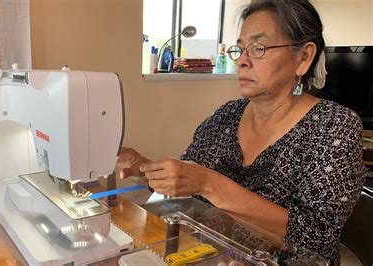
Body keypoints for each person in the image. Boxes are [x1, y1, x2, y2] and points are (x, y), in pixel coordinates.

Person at [117, 0, 365, 264]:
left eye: (258, 48)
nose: (242, 61)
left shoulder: (334, 126)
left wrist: (209, 183)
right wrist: (143, 167)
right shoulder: (227, 114)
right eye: (240, 49)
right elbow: (187, 182)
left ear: (303, 57)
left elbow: (316, 236)